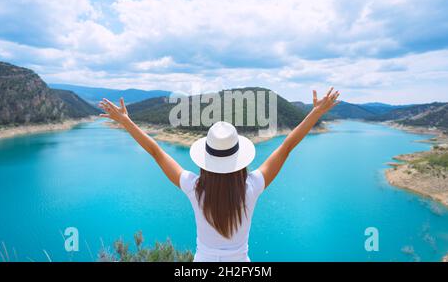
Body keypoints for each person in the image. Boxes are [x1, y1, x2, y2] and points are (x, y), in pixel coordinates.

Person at [99, 87, 340, 262]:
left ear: (206, 160)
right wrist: (315, 113)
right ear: (239, 159)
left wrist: (126, 121)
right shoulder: (251, 187)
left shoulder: (194, 188)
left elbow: (157, 152)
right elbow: (286, 146)